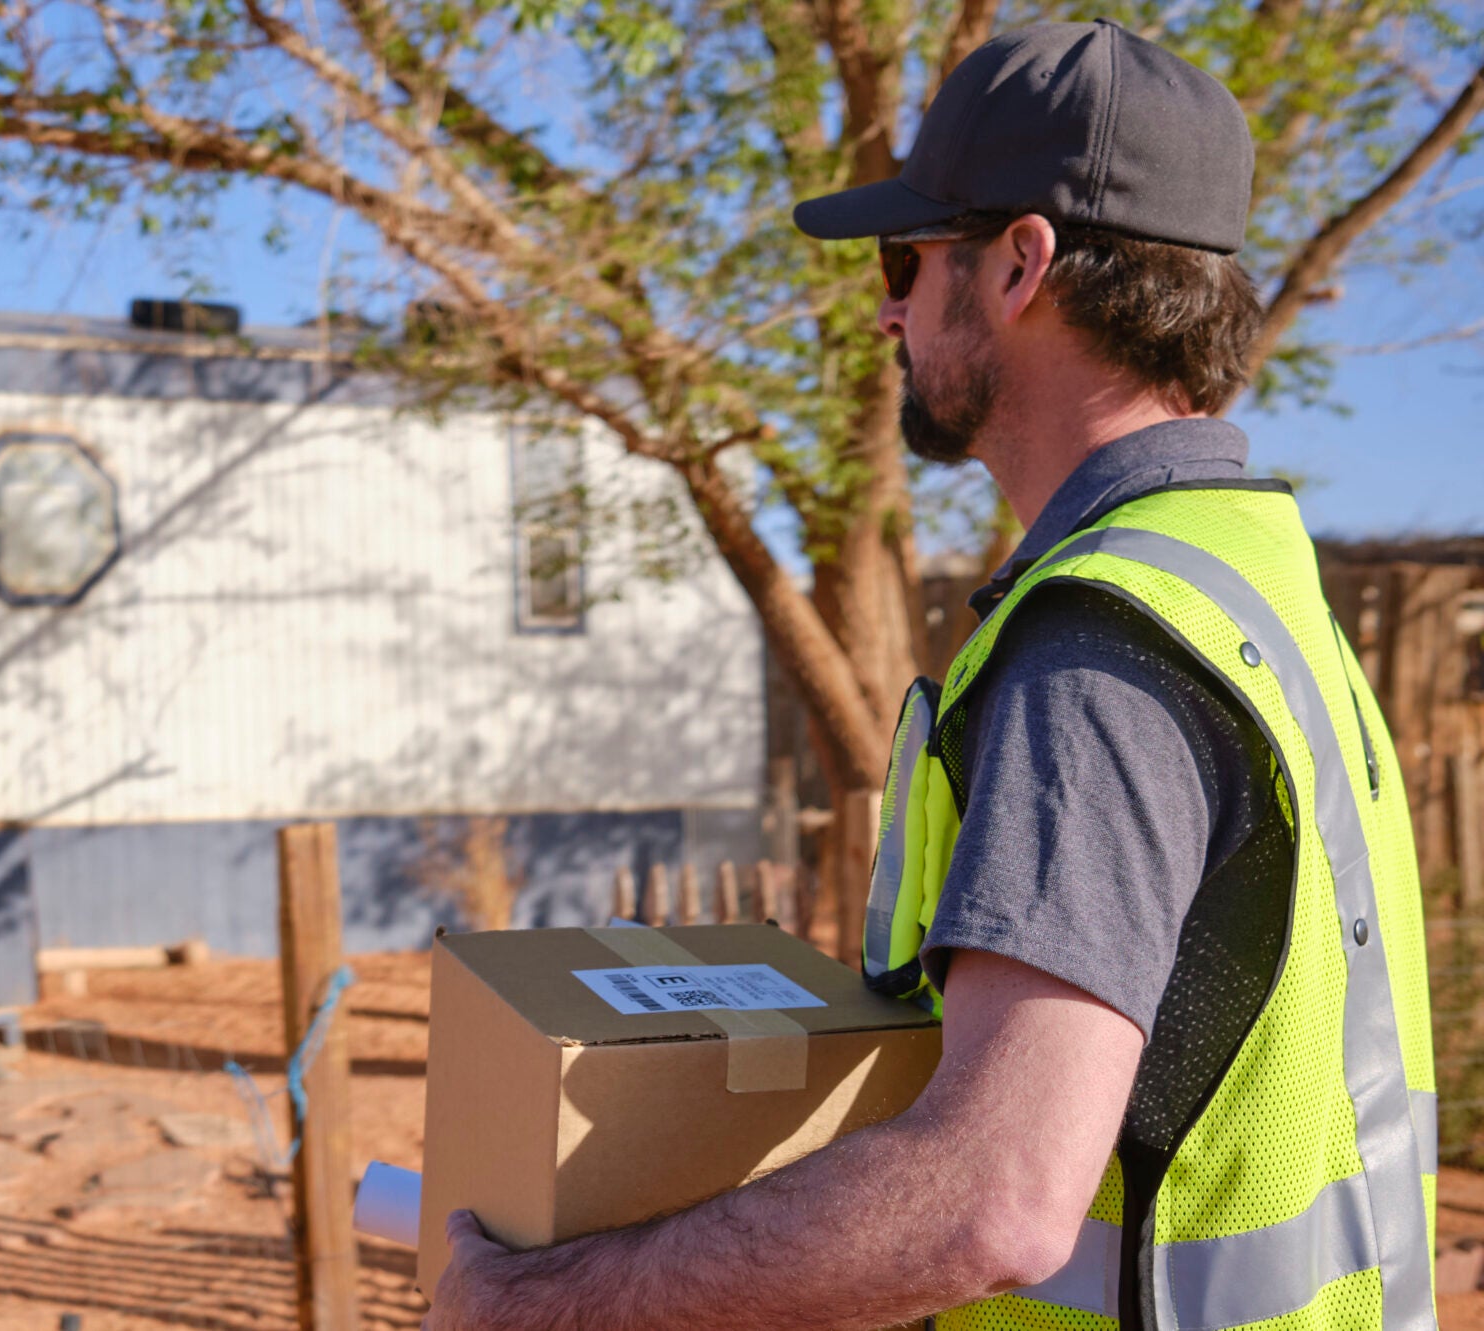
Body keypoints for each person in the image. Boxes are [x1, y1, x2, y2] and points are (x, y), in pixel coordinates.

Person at [421, 19, 1436, 1331]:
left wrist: (545, 1304)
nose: (888, 310)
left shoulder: (1104, 644)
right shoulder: (1253, 576)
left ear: (1020, 264)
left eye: (905, 260)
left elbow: (993, 1200)